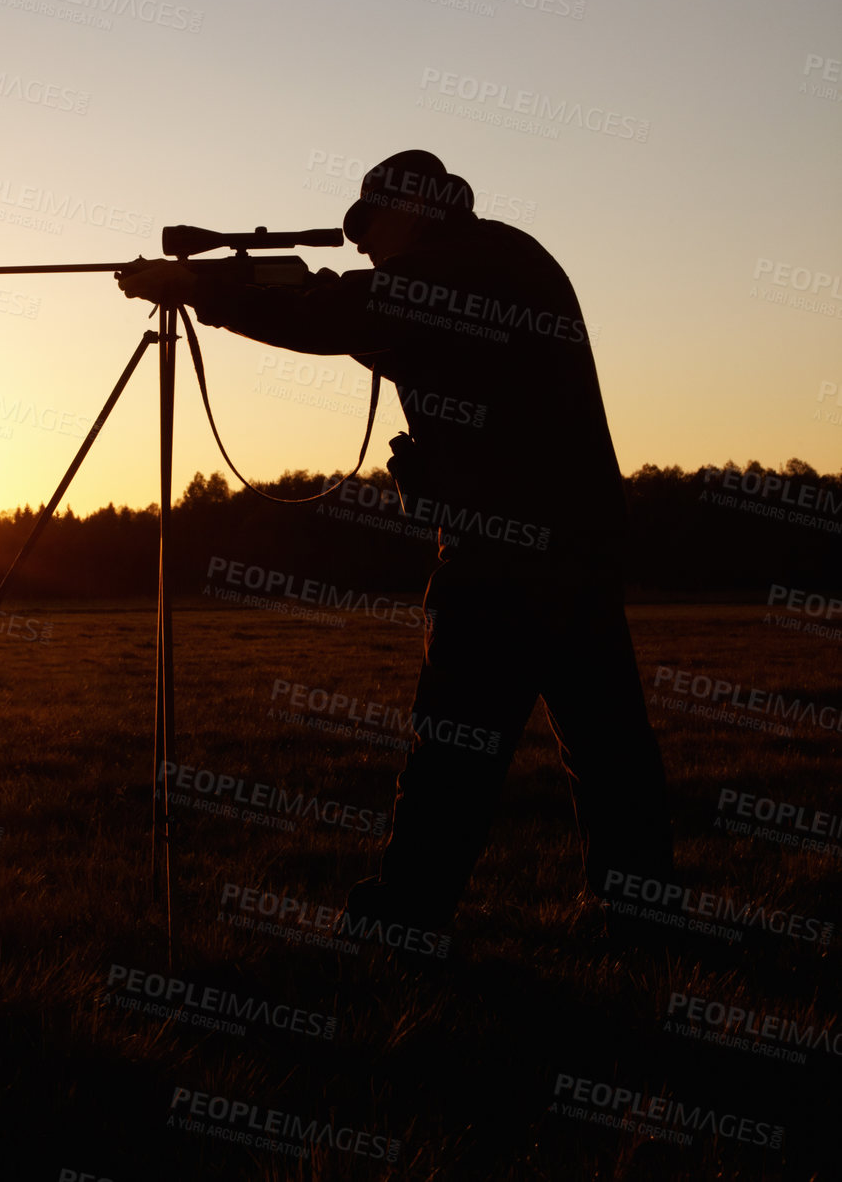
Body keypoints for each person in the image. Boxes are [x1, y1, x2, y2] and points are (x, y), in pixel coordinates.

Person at [117, 151, 674, 939]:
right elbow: (369, 315)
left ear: (414, 209)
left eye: (369, 224)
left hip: (509, 553)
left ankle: (407, 919)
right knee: (606, 740)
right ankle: (639, 908)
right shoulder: (498, 259)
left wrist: (205, 290)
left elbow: (349, 310)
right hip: (564, 538)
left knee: (457, 744)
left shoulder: (470, 267)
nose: (365, 244)